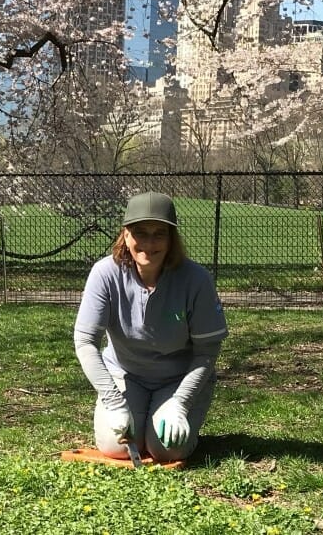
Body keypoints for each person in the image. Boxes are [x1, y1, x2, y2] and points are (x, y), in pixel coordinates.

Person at [73, 191, 229, 462]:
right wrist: (113, 401)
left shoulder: (197, 279)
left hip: (178, 379)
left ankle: (171, 417)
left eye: (159, 234)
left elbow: (207, 352)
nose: (149, 243)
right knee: (117, 447)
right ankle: (137, 414)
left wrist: (180, 403)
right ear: (126, 235)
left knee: (167, 448)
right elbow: (86, 342)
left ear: (172, 239)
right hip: (125, 374)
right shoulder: (104, 274)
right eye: (140, 233)